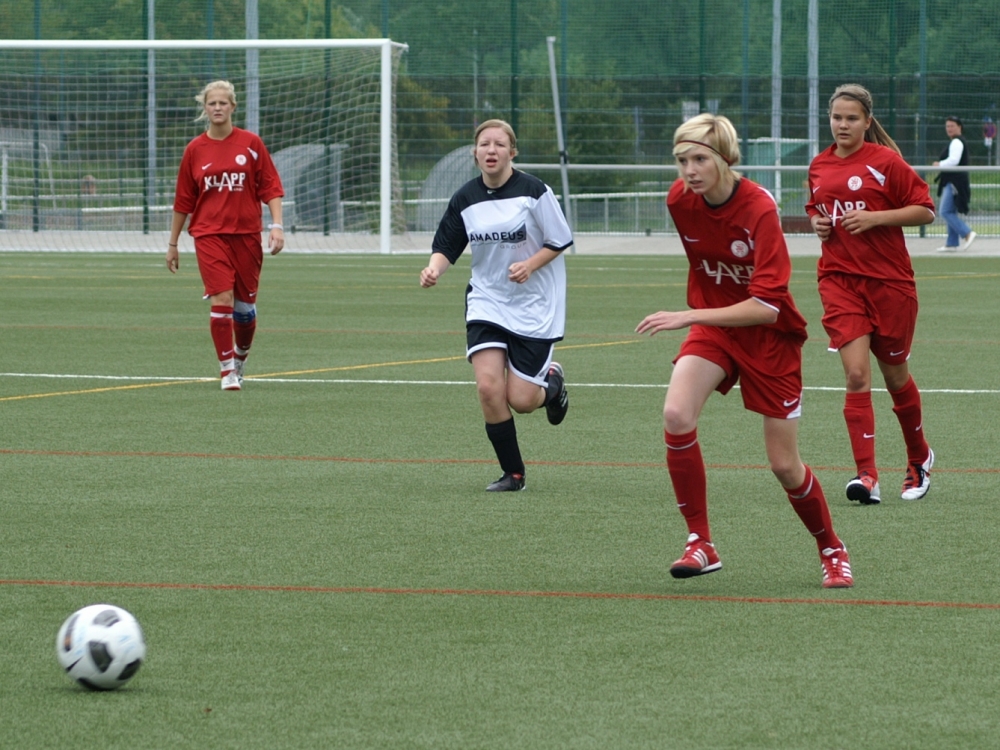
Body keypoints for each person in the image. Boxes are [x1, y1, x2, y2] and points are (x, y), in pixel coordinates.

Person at [636, 113, 852, 589]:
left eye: (699, 159)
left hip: (770, 339)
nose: (689, 171)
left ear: (725, 158)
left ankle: (831, 548)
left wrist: (689, 314)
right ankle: (701, 542)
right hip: (716, 330)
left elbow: (767, 308)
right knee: (676, 414)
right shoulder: (679, 200)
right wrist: (701, 316)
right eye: (681, 160)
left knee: (783, 464)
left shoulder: (758, 208)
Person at [420, 119, 571, 492]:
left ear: (512, 152)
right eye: (484, 144)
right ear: (475, 153)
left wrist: (530, 264)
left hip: (534, 304)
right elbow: (447, 244)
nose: (491, 150)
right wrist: (434, 269)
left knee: (521, 400)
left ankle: (552, 385)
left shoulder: (534, 191)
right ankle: (513, 474)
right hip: (487, 301)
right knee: (488, 388)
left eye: (499, 144)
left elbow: (560, 238)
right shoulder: (465, 198)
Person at [806, 83, 936, 505]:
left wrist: (876, 218)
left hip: (890, 284)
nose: (842, 125)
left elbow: (925, 210)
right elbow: (818, 207)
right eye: (836, 117)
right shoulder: (819, 165)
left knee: (895, 377)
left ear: (867, 122)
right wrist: (817, 223)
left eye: (851, 118)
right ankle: (867, 476)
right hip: (839, 281)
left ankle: (919, 457)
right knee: (857, 375)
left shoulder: (886, 162)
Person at [166, 80, 285, 391]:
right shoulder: (194, 150)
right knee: (222, 298)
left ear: (233, 106)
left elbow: (270, 187)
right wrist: (173, 244)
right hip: (209, 234)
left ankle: (241, 357)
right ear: (204, 108)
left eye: (222, 103)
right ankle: (227, 370)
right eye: (212, 103)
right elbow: (183, 201)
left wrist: (277, 225)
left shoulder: (251, 144)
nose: (217, 108)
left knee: (244, 310)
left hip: (246, 235)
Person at [932, 116, 976, 252]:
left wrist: (939, 164)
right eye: (947, 126)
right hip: (952, 181)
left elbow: (954, 161)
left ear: (959, 127)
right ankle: (951, 243)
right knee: (950, 211)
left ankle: (967, 233)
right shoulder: (955, 142)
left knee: (945, 211)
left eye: (952, 126)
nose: (949, 129)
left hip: (955, 182)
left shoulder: (957, 142)